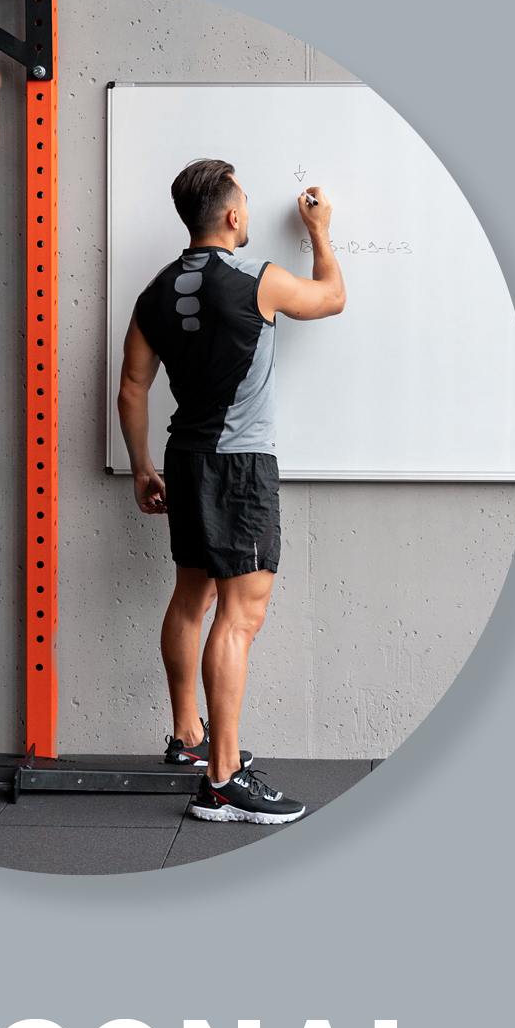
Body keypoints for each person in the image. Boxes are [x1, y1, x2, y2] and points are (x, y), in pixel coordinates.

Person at [117, 158, 346, 826]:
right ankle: (222, 779)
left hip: (183, 459)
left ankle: (189, 738)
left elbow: (133, 387)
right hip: (239, 467)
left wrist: (139, 466)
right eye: (245, 199)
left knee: (192, 597)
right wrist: (321, 231)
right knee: (240, 617)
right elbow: (331, 297)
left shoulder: (155, 292)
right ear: (235, 216)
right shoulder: (257, 280)